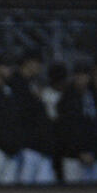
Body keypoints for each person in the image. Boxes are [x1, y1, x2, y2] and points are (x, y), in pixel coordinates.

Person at [56, 59, 97, 183]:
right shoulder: (67, 97)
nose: (81, 79)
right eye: (78, 75)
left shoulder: (94, 96)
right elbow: (68, 128)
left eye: (84, 75)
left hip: (93, 155)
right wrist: (80, 151)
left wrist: (95, 151)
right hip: (72, 156)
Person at [13, 50, 57, 184]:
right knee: (23, 189)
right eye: (37, 63)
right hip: (26, 146)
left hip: (41, 145)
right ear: (28, 62)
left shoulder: (34, 83)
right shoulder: (16, 83)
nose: (39, 67)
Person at [0, 53, 24, 185]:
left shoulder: (10, 89)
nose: (8, 70)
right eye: (5, 66)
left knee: (9, 189)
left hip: (12, 147)